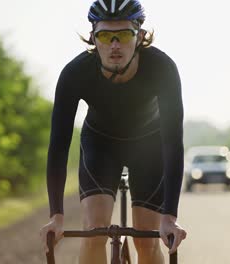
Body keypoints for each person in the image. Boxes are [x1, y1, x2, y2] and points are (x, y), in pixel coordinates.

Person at [39, 0, 187, 263]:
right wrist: (56, 216)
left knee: (146, 240)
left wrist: (169, 218)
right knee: (94, 232)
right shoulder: (75, 73)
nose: (114, 44)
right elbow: (59, 146)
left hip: (149, 147)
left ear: (140, 36)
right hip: (101, 145)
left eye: (124, 35)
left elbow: (173, 144)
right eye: (106, 35)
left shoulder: (162, 68)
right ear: (94, 38)